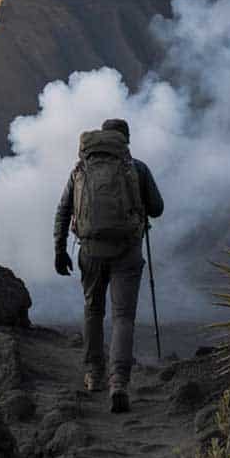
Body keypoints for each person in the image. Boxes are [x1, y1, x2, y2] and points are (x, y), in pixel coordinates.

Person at [54, 118, 163, 413]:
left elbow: (63, 210)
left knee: (93, 310)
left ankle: (93, 375)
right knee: (123, 317)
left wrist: (59, 250)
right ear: (125, 140)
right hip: (127, 251)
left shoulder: (80, 170)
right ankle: (119, 384)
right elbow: (158, 208)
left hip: (89, 250)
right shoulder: (136, 168)